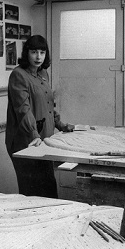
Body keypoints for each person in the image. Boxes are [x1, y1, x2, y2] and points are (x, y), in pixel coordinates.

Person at [5, 35, 74, 198]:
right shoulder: (18, 75)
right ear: (26, 53)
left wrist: (61, 124)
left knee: (49, 189)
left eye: (42, 52)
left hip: (43, 139)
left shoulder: (43, 73)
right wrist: (34, 135)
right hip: (25, 141)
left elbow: (47, 106)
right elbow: (23, 110)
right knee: (32, 192)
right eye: (34, 52)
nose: (38, 57)